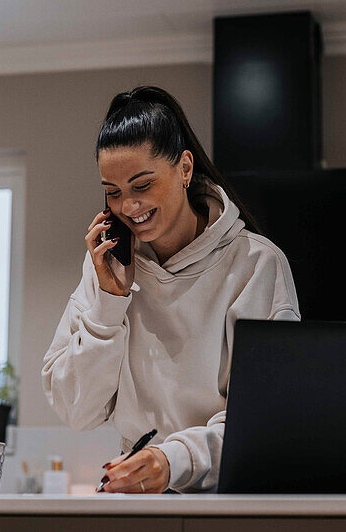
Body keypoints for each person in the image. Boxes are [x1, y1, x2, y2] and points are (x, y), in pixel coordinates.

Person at [42, 85, 301, 494]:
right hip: (139, 502)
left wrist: (173, 459)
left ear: (184, 168)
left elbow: (266, 415)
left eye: (141, 185)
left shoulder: (256, 264)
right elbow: (76, 410)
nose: (128, 207)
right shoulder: (106, 266)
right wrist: (109, 306)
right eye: (113, 192)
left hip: (227, 503)